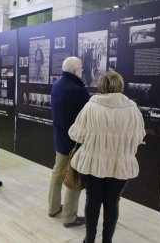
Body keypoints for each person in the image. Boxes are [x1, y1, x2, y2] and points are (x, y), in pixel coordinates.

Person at [68, 71, 146, 243]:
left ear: (101, 86)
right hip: (121, 163)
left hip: (92, 162)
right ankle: (107, 241)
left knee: (92, 200)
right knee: (113, 203)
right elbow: (139, 137)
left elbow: (76, 135)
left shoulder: (91, 106)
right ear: (121, 86)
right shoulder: (133, 109)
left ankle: (89, 240)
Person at [48, 56, 90, 228]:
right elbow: (86, 117)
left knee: (57, 173)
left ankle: (53, 207)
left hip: (60, 138)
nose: (82, 71)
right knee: (75, 176)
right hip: (75, 142)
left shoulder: (57, 87)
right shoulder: (78, 90)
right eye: (81, 68)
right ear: (75, 71)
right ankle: (69, 217)